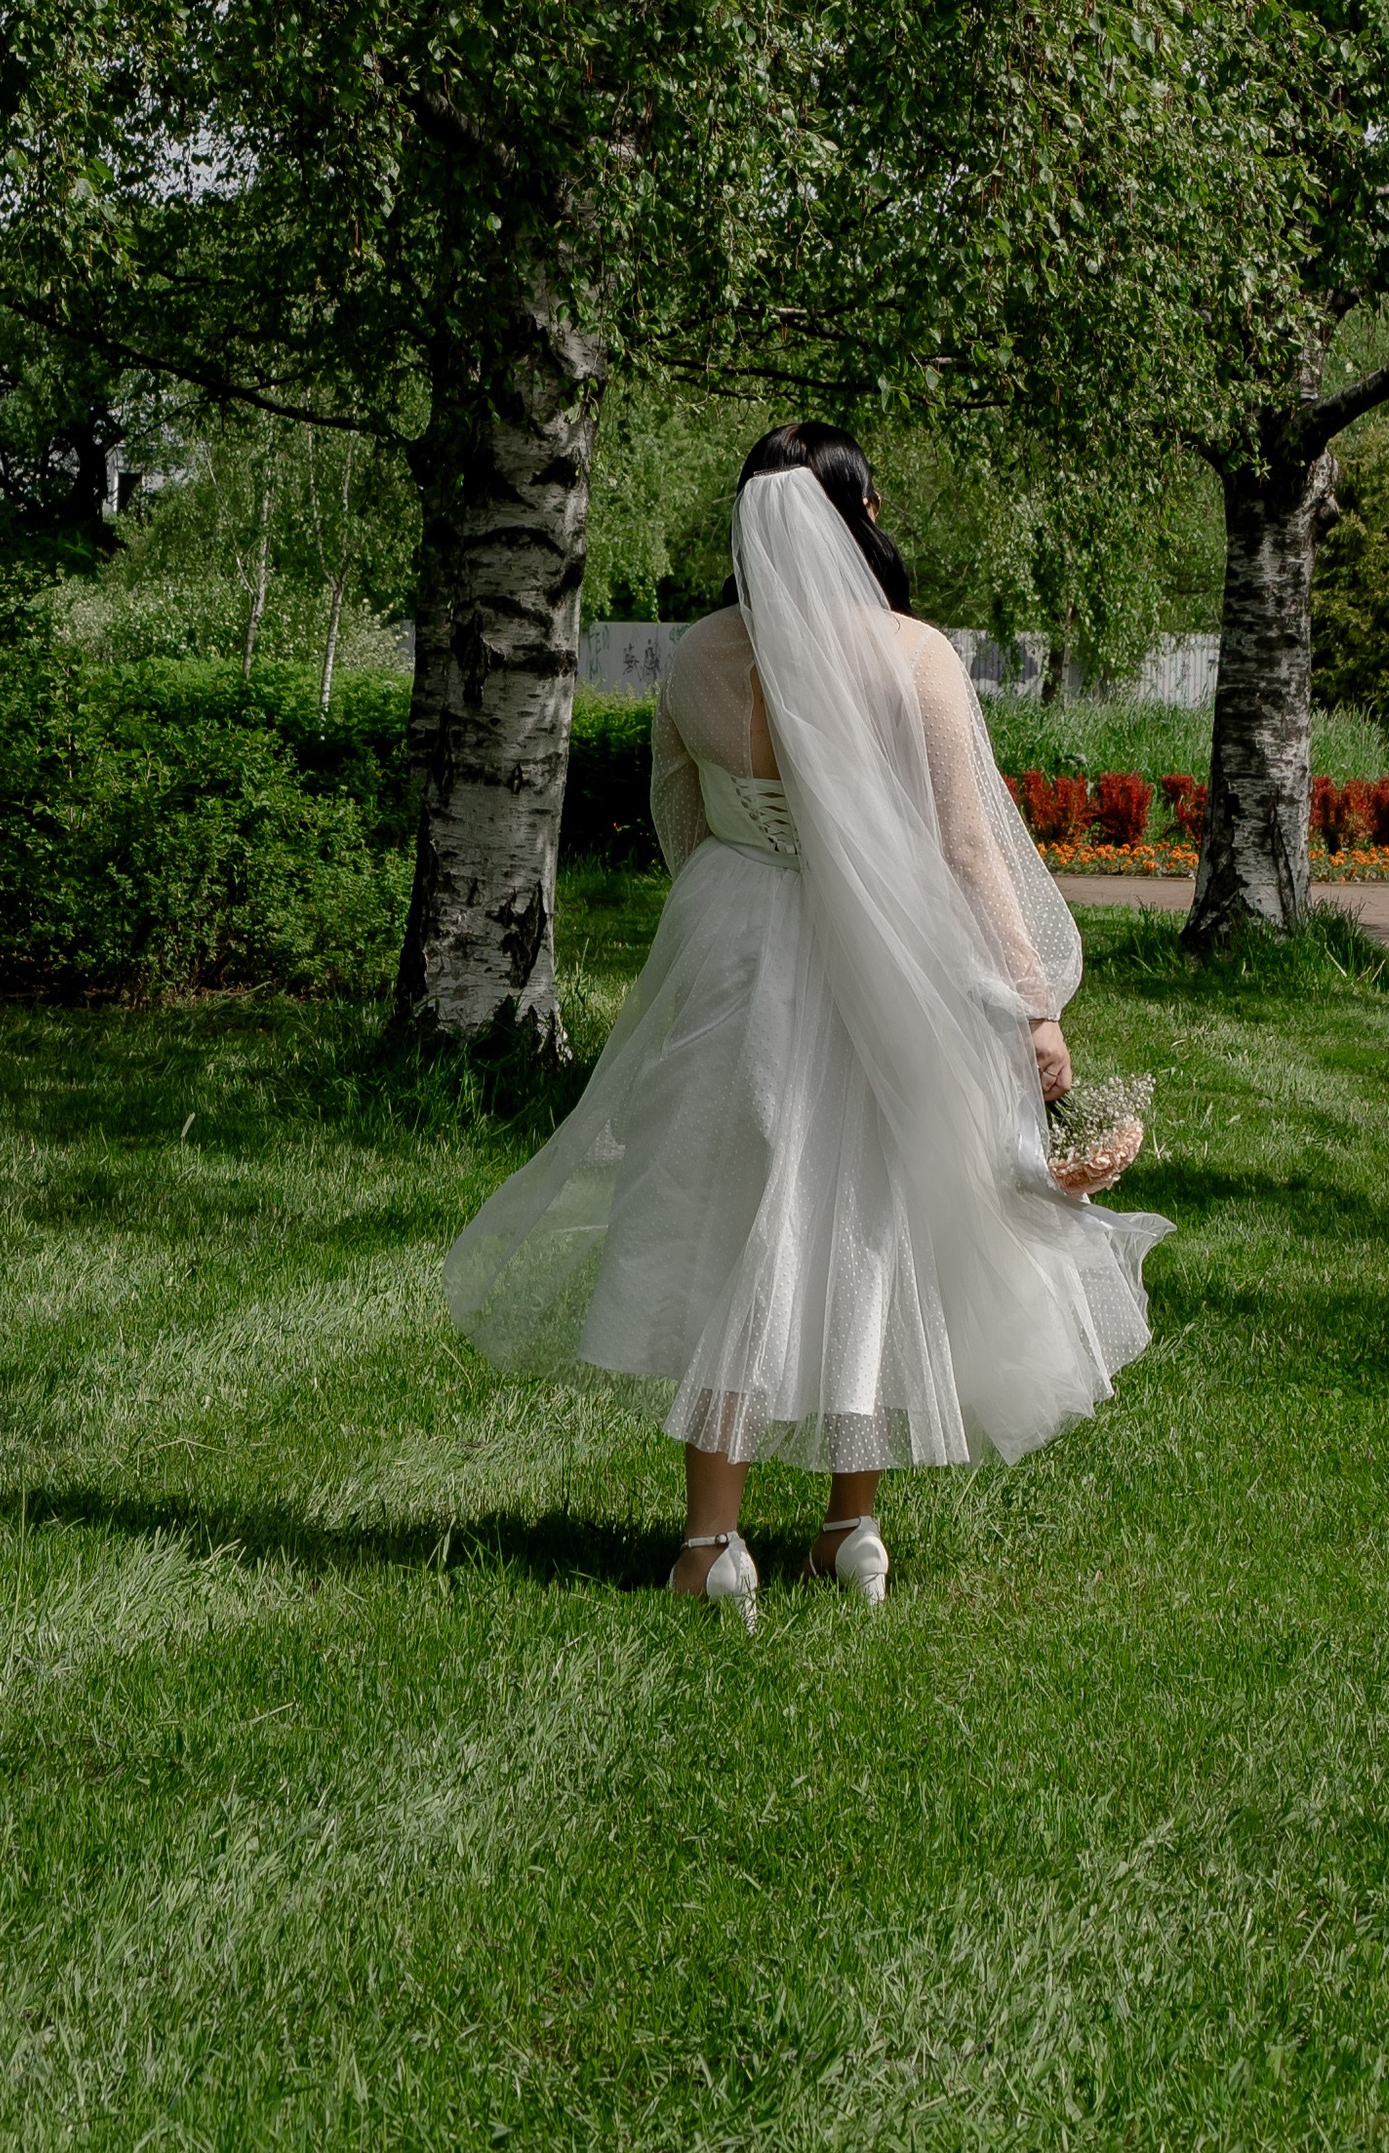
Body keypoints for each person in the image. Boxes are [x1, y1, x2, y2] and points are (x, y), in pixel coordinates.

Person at [443, 424, 1166, 1623]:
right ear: (859, 513)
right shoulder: (913, 657)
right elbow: (968, 846)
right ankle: (849, 1524)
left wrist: (725, 925)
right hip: (882, 950)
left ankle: (712, 1542)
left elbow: (681, 815)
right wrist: (1029, 1001)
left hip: (731, 942)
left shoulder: (698, 658)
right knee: (870, 1214)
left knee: (726, 1216)